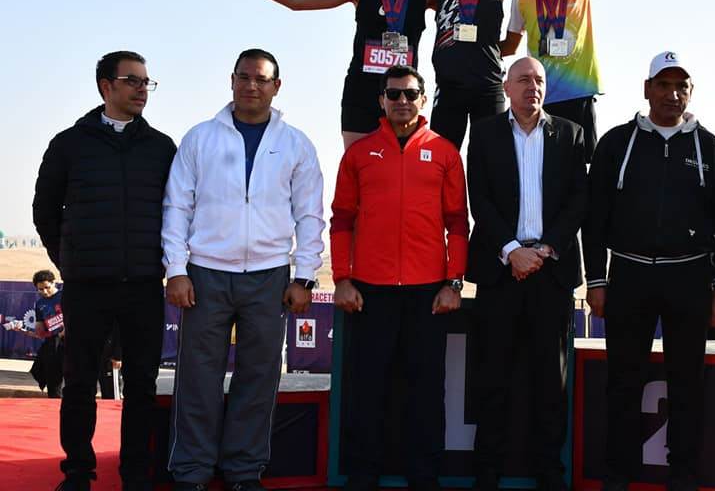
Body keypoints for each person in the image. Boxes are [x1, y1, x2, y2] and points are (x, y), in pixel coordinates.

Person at [162, 48, 325, 491]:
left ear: (276, 86)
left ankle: (243, 470)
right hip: (205, 274)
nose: (251, 86)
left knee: (259, 377)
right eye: (244, 77)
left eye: (261, 79)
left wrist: (304, 275)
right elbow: (177, 206)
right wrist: (176, 269)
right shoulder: (200, 138)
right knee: (198, 378)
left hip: (270, 276)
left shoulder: (296, 144)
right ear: (231, 80)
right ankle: (192, 471)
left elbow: (310, 216)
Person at [583, 51, 715, 491]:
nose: (673, 94)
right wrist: (596, 279)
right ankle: (618, 474)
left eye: (681, 86)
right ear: (647, 88)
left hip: (690, 278)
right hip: (628, 276)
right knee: (622, 381)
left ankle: (683, 475)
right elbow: (593, 217)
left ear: (691, 92)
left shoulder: (710, 147)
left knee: (687, 383)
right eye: (664, 85)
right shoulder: (616, 143)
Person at [33, 50, 177, 491]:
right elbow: (44, 211)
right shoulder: (68, 145)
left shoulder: (162, 148)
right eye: (132, 80)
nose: (142, 90)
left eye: (146, 82)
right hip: (87, 287)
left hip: (144, 286)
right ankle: (78, 471)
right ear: (105, 86)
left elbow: (178, 212)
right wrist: (69, 261)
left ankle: (135, 473)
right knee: (80, 383)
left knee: (141, 384)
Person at [330, 65, 468, 491]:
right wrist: (342, 278)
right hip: (370, 291)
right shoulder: (359, 154)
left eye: (410, 94)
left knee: (426, 390)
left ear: (423, 99)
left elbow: (457, 223)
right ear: (381, 101)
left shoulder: (445, 151)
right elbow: (341, 220)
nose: (402, 101)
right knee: (367, 388)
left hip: (428, 293)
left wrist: (454, 281)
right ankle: (363, 474)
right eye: (393, 94)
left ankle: (424, 475)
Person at [501, 0, 715, 160]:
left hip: (579, 96)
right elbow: (510, 46)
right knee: (539, 169)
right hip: (540, 99)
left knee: (581, 172)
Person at [465, 57, 587, 491]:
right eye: (522, 80)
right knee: (492, 379)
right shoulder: (484, 133)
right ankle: (487, 474)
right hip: (501, 272)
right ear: (506, 86)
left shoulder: (571, 134)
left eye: (538, 80)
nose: (532, 87)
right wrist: (513, 251)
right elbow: (479, 199)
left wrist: (545, 248)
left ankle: (549, 474)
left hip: (551, 273)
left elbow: (578, 200)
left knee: (550, 383)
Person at [211, 0, 431, 149]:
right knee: (359, 165)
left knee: (402, 166)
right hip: (361, 93)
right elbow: (297, 0)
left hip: (404, 97)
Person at [348, 0, 523, 149]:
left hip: (488, 86)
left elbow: (532, 9)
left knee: (490, 158)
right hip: (449, 86)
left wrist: (485, 49)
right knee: (439, 157)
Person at [18, 270, 65, 398]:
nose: (44, 291)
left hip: (72, 343)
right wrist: (22, 330)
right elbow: (40, 332)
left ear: (54, 283)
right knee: (52, 380)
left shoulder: (65, 295)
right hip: (53, 344)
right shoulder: (40, 304)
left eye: (47, 287)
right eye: (40, 289)